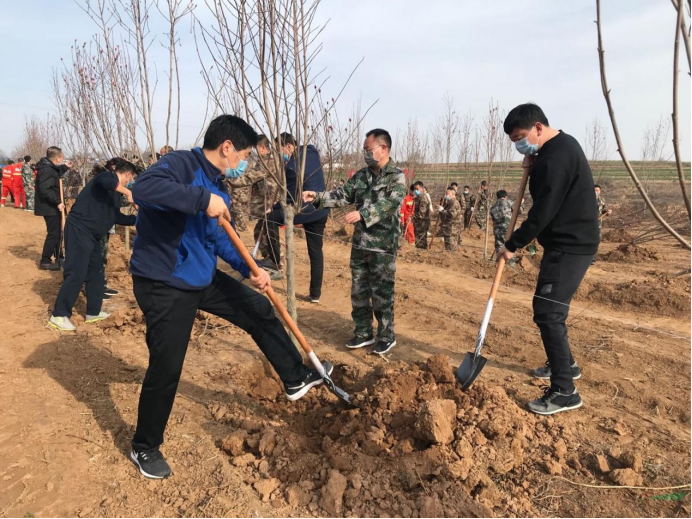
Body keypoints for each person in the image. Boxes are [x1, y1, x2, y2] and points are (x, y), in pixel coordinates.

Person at [127, 115, 330, 479]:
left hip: (199, 275)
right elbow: (143, 190)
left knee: (256, 308)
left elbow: (222, 237)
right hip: (164, 281)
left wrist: (251, 267)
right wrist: (201, 199)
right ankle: (144, 446)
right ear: (226, 148)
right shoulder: (181, 165)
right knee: (168, 366)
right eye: (245, 155)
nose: (244, 164)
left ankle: (295, 376)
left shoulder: (218, 184)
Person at [499, 103, 599, 416]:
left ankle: (565, 391)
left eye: (521, 137)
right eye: (514, 140)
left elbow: (543, 210)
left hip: (570, 246)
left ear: (538, 128)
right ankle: (566, 363)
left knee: (547, 313)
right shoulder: (558, 149)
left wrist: (513, 244)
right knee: (552, 310)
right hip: (569, 241)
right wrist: (534, 161)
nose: (518, 145)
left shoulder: (555, 157)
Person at [303, 128, 406, 355]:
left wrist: (364, 214)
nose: (366, 154)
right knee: (358, 290)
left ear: (384, 148)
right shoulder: (361, 176)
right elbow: (343, 195)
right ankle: (363, 332)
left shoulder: (396, 176)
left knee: (382, 292)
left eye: (369, 150)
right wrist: (318, 197)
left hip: (382, 246)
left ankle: (386, 336)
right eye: (364, 150)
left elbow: (391, 203)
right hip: (360, 244)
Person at [48, 161, 137, 331]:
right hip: (79, 229)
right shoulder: (106, 177)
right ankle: (59, 315)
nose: (130, 182)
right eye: (131, 179)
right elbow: (105, 182)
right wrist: (128, 192)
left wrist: (139, 219)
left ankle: (93, 312)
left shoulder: (115, 196)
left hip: (95, 235)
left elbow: (116, 217)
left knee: (96, 271)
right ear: (127, 174)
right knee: (76, 272)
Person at [274, 132, 330, 304]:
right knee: (316, 252)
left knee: (268, 219)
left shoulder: (291, 167)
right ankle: (315, 295)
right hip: (321, 208)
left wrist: (274, 207)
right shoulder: (311, 152)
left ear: (289, 146)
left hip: (305, 210)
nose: (280, 156)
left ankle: (273, 261)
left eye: (280, 151)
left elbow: (289, 199)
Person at [34, 147, 72, 271]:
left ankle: (59, 255)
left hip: (51, 205)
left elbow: (55, 174)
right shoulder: (46, 170)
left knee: (57, 233)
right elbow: (45, 189)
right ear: (57, 158)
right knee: (54, 233)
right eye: (62, 157)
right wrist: (58, 202)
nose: (62, 159)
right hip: (49, 206)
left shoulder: (49, 167)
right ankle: (45, 260)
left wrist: (65, 167)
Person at [490, 189, 524, 264]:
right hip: (508, 230)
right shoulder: (508, 203)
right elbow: (520, 210)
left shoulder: (493, 207)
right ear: (505, 196)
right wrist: (521, 203)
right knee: (509, 248)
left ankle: (499, 266)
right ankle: (510, 267)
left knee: (499, 249)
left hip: (497, 231)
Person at [438, 187, 463, 251]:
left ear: (453, 194)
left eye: (447, 193)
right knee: (448, 247)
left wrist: (442, 210)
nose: (446, 195)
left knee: (451, 248)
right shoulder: (449, 202)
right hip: (448, 228)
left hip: (452, 229)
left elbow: (451, 215)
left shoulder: (454, 203)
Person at [412, 181, 431, 249]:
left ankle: (422, 251)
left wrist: (412, 216)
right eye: (415, 189)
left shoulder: (423, 198)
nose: (416, 191)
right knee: (418, 239)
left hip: (422, 223)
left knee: (421, 240)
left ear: (422, 188)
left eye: (417, 189)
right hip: (418, 223)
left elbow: (421, 214)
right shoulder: (418, 197)